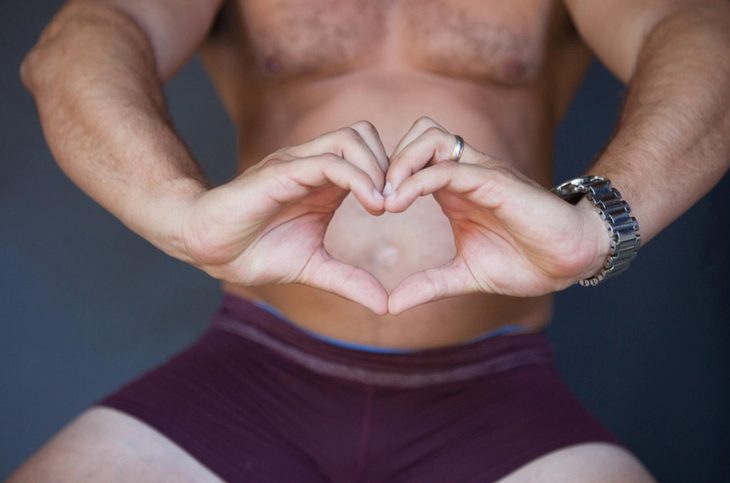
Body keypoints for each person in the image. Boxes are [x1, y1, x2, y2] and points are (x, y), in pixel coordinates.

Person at [10, 0, 729, 481]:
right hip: (246, 381)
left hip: (498, 396)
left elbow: (706, 33)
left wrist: (600, 226)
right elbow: (84, 38)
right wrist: (178, 212)